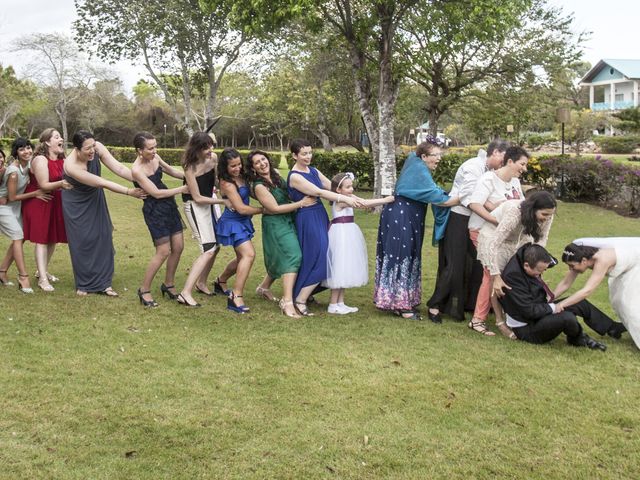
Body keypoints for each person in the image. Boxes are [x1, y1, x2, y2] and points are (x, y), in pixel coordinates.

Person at [373, 137, 459, 320]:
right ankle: (401, 306)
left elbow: (431, 189)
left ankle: (401, 301)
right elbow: (441, 199)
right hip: (402, 215)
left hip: (408, 215)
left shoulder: (416, 163)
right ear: (425, 156)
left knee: (408, 254)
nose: (439, 159)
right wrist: (467, 195)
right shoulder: (419, 170)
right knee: (401, 255)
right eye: (436, 155)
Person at [427, 140, 509, 323]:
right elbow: (468, 195)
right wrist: (491, 210)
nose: (504, 163)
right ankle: (435, 305)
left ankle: (471, 303)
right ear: (495, 152)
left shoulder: (490, 171)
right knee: (454, 264)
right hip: (458, 218)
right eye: (503, 158)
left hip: (475, 221)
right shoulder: (472, 166)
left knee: (479, 262)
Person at [62, 130, 146, 296]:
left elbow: (120, 168)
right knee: (83, 241)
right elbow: (102, 182)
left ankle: (104, 283)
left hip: (95, 199)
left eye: (93, 146)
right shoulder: (70, 166)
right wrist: (129, 191)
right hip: (77, 204)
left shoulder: (98, 148)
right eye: (87, 148)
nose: (92, 150)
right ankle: (84, 284)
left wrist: (142, 179)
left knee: (103, 236)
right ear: (77, 150)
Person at [287, 138, 361, 316]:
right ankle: (300, 299)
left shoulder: (313, 170)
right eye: (304, 154)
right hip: (307, 217)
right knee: (320, 256)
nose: (308, 156)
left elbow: (333, 187)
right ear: (294, 155)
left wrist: (355, 197)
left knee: (325, 254)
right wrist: (344, 199)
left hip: (319, 214)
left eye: (310, 152)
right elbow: (318, 192)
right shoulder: (295, 176)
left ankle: (306, 293)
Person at [472, 191, 556, 337]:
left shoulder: (547, 214)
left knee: (517, 276)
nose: (547, 218)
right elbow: (494, 242)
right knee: (493, 279)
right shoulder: (515, 212)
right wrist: (496, 275)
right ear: (533, 209)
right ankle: (489, 320)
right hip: (493, 238)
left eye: (550, 215)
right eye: (544, 215)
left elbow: (541, 240)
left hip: (519, 241)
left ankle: (516, 317)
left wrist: (537, 261)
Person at [466, 145, 529, 338]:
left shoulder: (515, 182)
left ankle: (507, 315)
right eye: (522, 164)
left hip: (506, 236)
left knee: (504, 273)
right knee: (491, 273)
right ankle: (478, 320)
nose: (524, 169)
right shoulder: (488, 179)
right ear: (509, 161)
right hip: (482, 231)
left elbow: (521, 206)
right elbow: (474, 203)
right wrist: (496, 220)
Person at [246, 150, 315, 318]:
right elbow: (274, 209)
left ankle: (263, 287)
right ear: (253, 168)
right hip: (276, 223)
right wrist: (301, 203)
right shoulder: (259, 186)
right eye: (257, 162)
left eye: (263, 159)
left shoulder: (275, 175)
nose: (262, 163)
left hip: (289, 220)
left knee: (281, 256)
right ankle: (287, 301)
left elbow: (289, 193)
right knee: (293, 255)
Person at [499, 243, 607, 350]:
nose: (542, 273)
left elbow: (549, 262)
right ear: (526, 265)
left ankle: (612, 328)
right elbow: (529, 311)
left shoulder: (528, 255)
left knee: (578, 303)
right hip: (527, 327)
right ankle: (578, 338)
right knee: (567, 317)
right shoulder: (512, 277)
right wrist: (554, 307)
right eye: (539, 271)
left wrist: (554, 304)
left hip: (538, 310)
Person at [131, 132, 188, 307]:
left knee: (178, 247)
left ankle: (168, 284)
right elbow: (155, 193)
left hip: (168, 205)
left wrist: (192, 177)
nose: (155, 150)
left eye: (155, 146)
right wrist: (183, 189)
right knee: (163, 251)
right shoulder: (136, 170)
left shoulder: (156, 157)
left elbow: (171, 171)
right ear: (140, 150)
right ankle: (144, 290)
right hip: (154, 209)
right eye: (150, 148)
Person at [326, 172, 393, 314]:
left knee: (345, 268)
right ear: (338, 190)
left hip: (349, 231)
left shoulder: (348, 197)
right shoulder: (341, 201)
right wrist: (386, 200)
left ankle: (341, 302)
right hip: (341, 234)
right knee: (339, 267)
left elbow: (361, 199)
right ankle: (333, 304)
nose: (352, 189)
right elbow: (363, 203)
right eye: (348, 187)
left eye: (352, 186)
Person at [178, 132, 230, 307]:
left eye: (211, 145)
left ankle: (201, 283)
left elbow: (215, 182)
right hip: (195, 206)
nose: (211, 150)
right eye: (206, 147)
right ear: (197, 149)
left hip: (211, 203)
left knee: (216, 248)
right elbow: (197, 198)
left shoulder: (213, 158)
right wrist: (223, 200)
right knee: (208, 248)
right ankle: (185, 293)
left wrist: (222, 190)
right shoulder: (189, 167)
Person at [555, 238, 636, 347]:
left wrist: (561, 304)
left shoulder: (603, 260)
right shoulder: (579, 256)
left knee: (630, 305)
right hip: (625, 266)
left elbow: (587, 290)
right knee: (618, 300)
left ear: (584, 261)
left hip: (636, 265)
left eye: (572, 266)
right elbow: (565, 283)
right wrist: (548, 298)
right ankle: (614, 329)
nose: (571, 269)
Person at [21, 128, 72, 292]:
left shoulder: (61, 158)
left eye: (60, 136)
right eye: (56, 137)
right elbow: (43, 184)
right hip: (39, 202)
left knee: (52, 239)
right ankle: (42, 279)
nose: (61, 139)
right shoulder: (40, 160)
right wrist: (62, 184)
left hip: (54, 201)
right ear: (47, 142)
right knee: (42, 239)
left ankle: (41, 271)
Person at [215, 148, 264, 314]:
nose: (237, 168)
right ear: (225, 167)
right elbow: (242, 208)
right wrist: (264, 209)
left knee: (241, 258)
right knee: (249, 255)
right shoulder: (226, 183)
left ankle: (220, 281)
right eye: (232, 166)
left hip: (243, 221)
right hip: (232, 222)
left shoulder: (242, 175)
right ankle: (235, 296)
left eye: (238, 164)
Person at [0, 139, 52, 292]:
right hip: (4, 206)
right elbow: (12, 197)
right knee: (18, 236)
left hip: (15, 207)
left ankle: (2, 272)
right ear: (16, 153)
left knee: (20, 238)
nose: (27, 152)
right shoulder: (14, 172)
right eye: (22, 149)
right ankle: (23, 277)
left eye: (28, 148)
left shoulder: (28, 165)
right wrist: (35, 193)